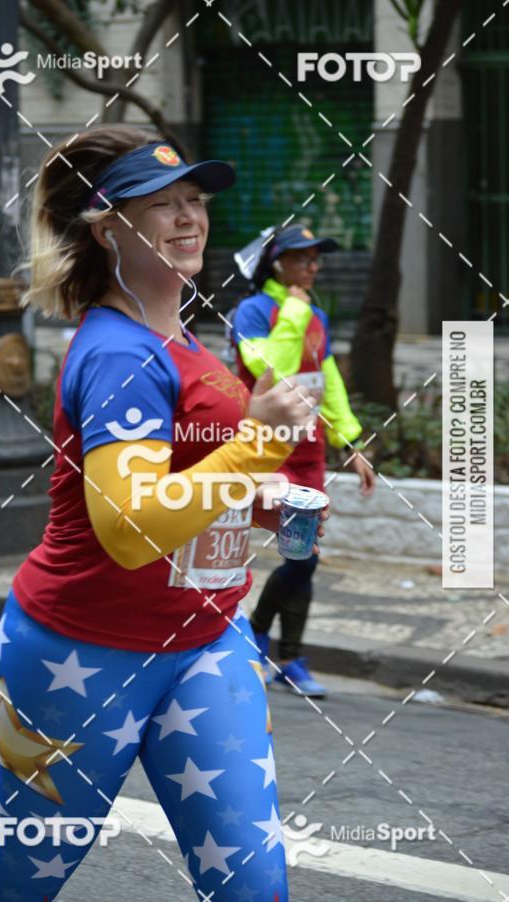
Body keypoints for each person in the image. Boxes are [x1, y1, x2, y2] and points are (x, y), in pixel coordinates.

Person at [0, 126, 328, 901]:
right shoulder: (118, 353)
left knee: (254, 886)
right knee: (27, 877)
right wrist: (259, 446)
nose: (189, 217)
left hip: (206, 638)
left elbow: (193, 483)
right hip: (83, 651)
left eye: (194, 200)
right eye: (161, 205)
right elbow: (128, 532)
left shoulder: (183, 339)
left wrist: (259, 506)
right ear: (107, 228)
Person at [232, 224, 375, 698]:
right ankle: (257, 637)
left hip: (309, 448)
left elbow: (325, 375)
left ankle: (285, 655)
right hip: (268, 447)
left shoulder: (315, 312)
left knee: (305, 554)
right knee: (300, 553)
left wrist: (350, 441)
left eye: (317, 259)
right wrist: (292, 311)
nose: (313, 267)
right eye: (302, 259)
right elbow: (268, 369)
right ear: (277, 263)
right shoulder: (255, 310)